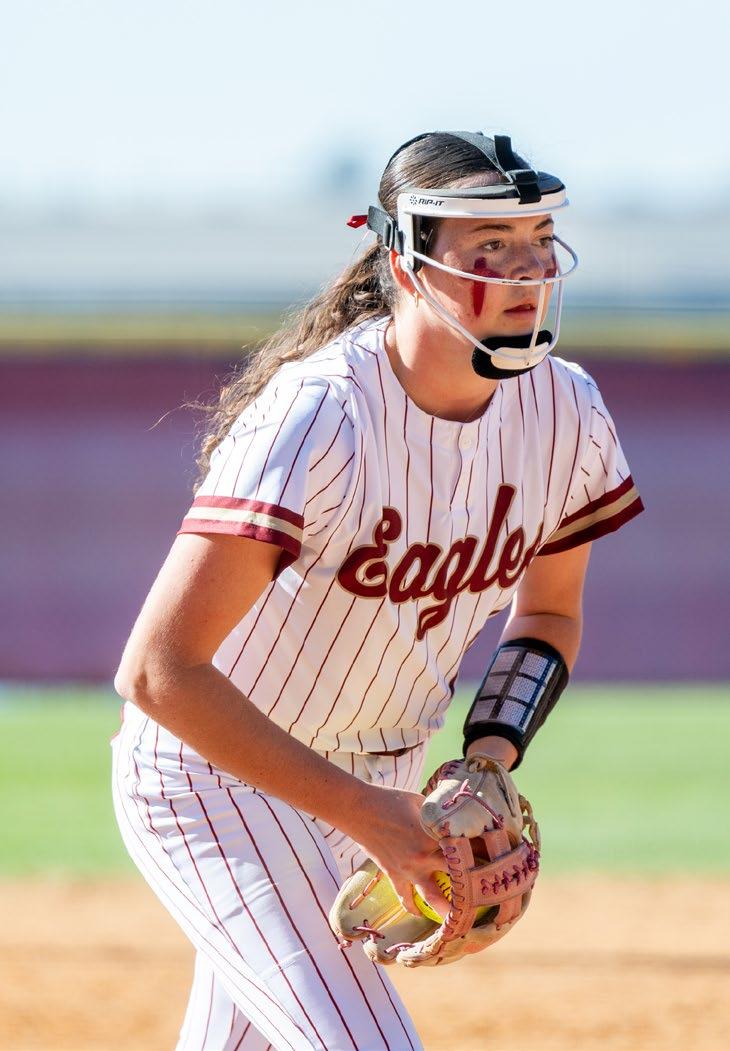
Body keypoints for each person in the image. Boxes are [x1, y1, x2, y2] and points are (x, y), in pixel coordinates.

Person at [112, 130, 643, 1050]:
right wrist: (370, 817)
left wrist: (488, 757)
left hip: (386, 788)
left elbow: (550, 612)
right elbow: (159, 672)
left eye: (538, 241)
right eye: (490, 246)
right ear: (405, 262)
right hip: (217, 782)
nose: (527, 269)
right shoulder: (321, 413)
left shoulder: (567, 410)